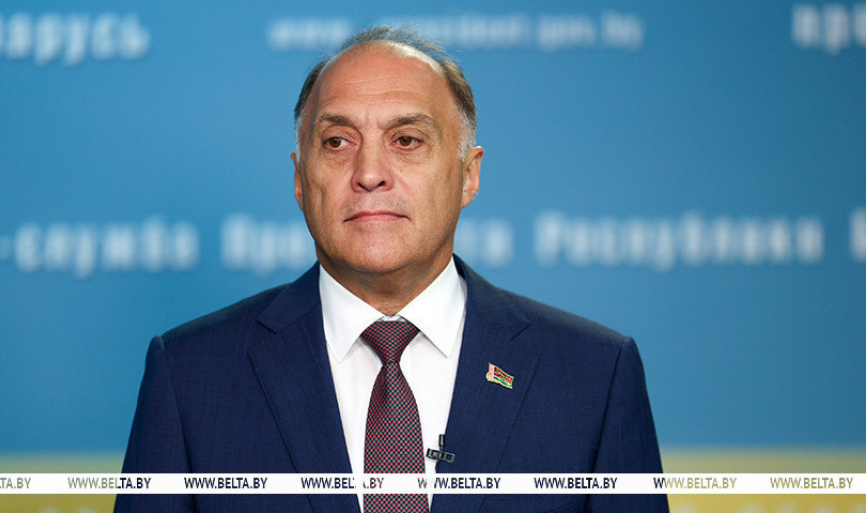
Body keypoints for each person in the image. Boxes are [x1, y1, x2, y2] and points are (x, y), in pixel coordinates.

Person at [115, 26, 668, 513]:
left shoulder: (594, 375)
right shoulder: (189, 375)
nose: (370, 172)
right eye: (337, 142)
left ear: (468, 174)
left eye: (406, 140)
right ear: (300, 180)